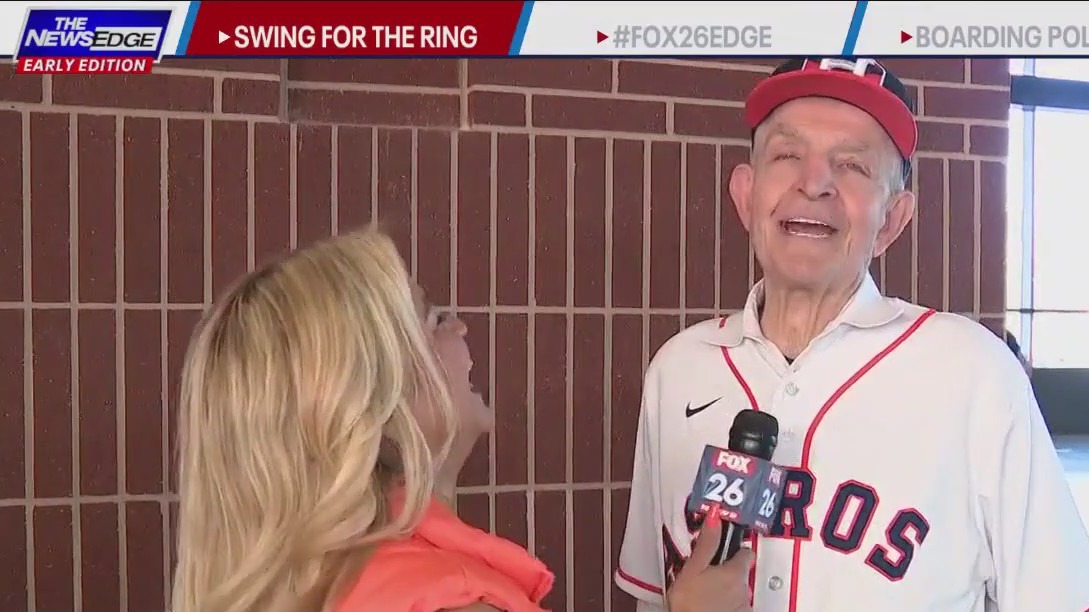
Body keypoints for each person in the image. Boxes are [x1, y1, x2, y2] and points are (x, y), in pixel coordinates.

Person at [614, 57, 1089, 612]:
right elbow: (652, 595)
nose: (815, 183)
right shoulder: (679, 369)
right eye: (788, 155)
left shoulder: (974, 374)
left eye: (853, 167)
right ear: (745, 195)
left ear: (891, 220)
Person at [171, 226, 553, 612]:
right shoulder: (442, 601)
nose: (459, 327)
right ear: (371, 399)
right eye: (435, 321)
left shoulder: (309, 589)